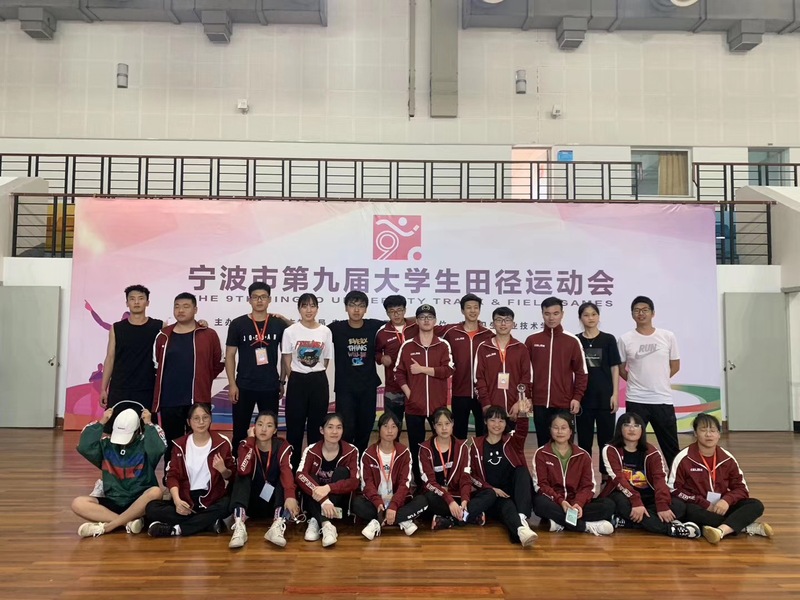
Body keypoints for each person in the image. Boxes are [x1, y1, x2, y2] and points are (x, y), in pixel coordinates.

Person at [668, 413, 773, 545]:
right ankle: (744, 526)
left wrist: (726, 501)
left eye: (713, 430)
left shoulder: (727, 458)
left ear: (719, 434)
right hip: (698, 506)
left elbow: (742, 489)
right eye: (703, 430)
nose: (708, 434)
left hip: (721, 506)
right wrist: (704, 504)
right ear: (695, 433)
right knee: (690, 512)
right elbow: (673, 489)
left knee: (756, 505)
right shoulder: (684, 457)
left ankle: (719, 531)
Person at [600, 412, 699, 538]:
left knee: (678, 507)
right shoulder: (610, 450)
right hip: (623, 494)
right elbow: (618, 479)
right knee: (623, 505)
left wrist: (662, 504)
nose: (632, 429)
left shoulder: (652, 452)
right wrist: (636, 501)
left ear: (642, 429)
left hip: (648, 496)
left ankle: (627, 523)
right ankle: (672, 529)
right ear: (620, 428)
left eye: (636, 425)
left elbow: (659, 479)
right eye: (627, 425)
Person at [153, 292, 224, 467]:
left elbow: (218, 363)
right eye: (177, 307)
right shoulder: (163, 335)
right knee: (173, 444)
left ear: (195, 309)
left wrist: (203, 379)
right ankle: (172, 478)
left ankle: (202, 478)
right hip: (170, 401)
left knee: (200, 443)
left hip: (198, 399)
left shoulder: (208, 334)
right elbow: (156, 365)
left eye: (186, 306)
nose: (181, 310)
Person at [72, 407, 165, 537]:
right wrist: (101, 422)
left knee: (156, 492)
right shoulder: (106, 445)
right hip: (114, 500)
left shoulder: (144, 444)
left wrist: (149, 424)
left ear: (137, 431)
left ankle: (107, 527)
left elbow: (159, 448)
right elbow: (84, 446)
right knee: (78, 503)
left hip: (140, 501)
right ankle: (128, 523)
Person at [145, 403, 235, 537]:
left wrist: (223, 470)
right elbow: (172, 476)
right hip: (186, 498)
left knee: (228, 504)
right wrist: (177, 501)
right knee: (151, 508)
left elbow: (232, 476)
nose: (201, 422)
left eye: (205, 417)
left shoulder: (222, 442)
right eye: (196, 418)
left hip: (211, 499)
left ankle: (176, 529)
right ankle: (207, 523)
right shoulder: (179, 444)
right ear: (189, 422)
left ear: (211, 419)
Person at [394, 304, 455, 486]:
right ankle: (419, 481)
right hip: (414, 406)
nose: (426, 320)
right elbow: (398, 372)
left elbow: (448, 370)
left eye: (429, 317)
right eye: (422, 317)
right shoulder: (408, 345)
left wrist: (423, 369)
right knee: (416, 445)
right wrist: (409, 393)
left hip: (438, 406)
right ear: (417, 322)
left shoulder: (442, 345)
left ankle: (441, 478)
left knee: (441, 443)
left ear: (435, 321)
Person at [618, 295, 681, 468]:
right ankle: (634, 477)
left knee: (670, 445)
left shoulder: (667, 336)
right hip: (636, 399)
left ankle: (676, 478)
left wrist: (659, 380)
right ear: (632, 314)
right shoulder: (625, 339)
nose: (641, 313)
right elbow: (621, 368)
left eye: (645, 310)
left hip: (662, 399)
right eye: (637, 310)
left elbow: (675, 366)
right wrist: (636, 381)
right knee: (632, 444)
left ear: (653, 313)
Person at [225, 282, 289, 450]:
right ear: (249, 300)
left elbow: (286, 353)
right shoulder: (238, 324)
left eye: (263, 297)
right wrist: (232, 384)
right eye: (255, 297)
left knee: (270, 432)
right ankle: (238, 463)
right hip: (243, 385)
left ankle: (268, 464)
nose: (259, 301)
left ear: (269, 299)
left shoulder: (278, 324)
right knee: (240, 431)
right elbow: (230, 355)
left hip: (270, 385)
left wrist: (282, 382)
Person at [466, 402, 538, 547]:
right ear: (485, 422)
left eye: (501, 421)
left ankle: (522, 518)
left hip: (511, 492)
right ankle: (520, 530)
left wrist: (523, 414)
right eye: (492, 420)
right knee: (507, 506)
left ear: (506, 423)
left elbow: (522, 431)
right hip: (491, 494)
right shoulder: (476, 445)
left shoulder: (512, 442)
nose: (497, 425)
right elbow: (471, 476)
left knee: (522, 471)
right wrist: (491, 489)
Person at [532, 412, 615, 535]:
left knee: (608, 505)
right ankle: (586, 526)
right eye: (555, 428)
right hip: (555, 503)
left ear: (570, 431)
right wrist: (561, 501)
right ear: (550, 430)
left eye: (563, 428)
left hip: (577, 504)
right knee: (539, 504)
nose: (560, 431)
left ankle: (560, 522)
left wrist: (578, 503)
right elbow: (541, 485)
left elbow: (588, 486)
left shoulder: (583, 455)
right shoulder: (541, 453)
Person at [228, 410, 300, 549]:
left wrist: (290, 496)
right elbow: (243, 469)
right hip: (250, 503)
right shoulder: (245, 444)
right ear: (254, 427)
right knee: (241, 477)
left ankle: (277, 525)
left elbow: (286, 471)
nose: (264, 429)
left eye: (269, 425)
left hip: (273, 503)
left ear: (275, 430)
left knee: (283, 479)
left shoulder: (282, 446)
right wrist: (250, 440)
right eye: (260, 424)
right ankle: (239, 526)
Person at [525, 297, 588, 448]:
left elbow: (581, 372)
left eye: (555, 313)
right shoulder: (532, 340)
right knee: (543, 445)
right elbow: (525, 372)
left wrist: (577, 397)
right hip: (539, 402)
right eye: (547, 314)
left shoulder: (572, 341)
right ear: (542, 314)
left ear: (562, 314)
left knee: (564, 445)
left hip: (564, 403)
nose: (551, 318)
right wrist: (528, 396)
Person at [329, 290, 386, 455]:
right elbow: (311, 329)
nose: (356, 310)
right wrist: (283, 319)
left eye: (360, 306)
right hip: (345, 388)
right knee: (346, 427)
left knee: (365, 426)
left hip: (367, 387)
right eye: (352, 305)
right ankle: (346, 459)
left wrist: (420, 319)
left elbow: (399, 322)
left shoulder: (374, 326)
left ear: (366, 309)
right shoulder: (336, 328)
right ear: (346, 308)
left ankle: (360, 459)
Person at [351, 411, 425, 539]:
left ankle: (378, 521)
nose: (389, 430)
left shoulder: (404, 452)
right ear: (379, 429)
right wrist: (377, 502)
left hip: (399, 502)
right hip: (375, 503)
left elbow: (405, 483)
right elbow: (367, 484)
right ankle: (401, 519)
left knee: (422, 501)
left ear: (398, 430)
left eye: (393, 426)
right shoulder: (368, 454)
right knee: (357, 504)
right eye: (385, 426)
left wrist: (394, 505)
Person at [281, 293, 334, 471]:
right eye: (304, 306)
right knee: (294, 429)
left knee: (316, 428)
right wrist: (294, 377)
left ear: (317, 309)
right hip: (297, 381)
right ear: (299, 309)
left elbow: (326, 359)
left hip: (318, 381)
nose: (308, 310)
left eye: (312, 306)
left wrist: (314, 373)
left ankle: (313, 468)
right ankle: (292, 468)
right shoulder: (290, 331)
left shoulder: (325, 331)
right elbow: (286, 359)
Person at [418, 407, 489, 530]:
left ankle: (448, 520)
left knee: (489, 493)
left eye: (447, 423)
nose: (444, 428)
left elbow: (465, 477)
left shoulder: (462, 447)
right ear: (434, 426)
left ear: (453, 424)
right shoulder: (425, 449)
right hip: (439, 496)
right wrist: (449, 500)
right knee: (427, 498)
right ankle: (468, 517)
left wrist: (465, 500)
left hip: (458, 494)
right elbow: (429, 482)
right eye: (439, 424)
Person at [295, 413, 360, 547]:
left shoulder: (351, 451)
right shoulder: (311, 450)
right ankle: (325, 524)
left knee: (342, 472)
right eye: (330, 427)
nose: (334, 432)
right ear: (321, 430)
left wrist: (329, 488)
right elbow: (300, 475)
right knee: (311, 478)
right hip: (318, 501)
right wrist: (324, 501)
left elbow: (355, 481)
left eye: (339, 427)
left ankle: (316, 519)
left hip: (338, 502)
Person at [98, 285, 163, 411]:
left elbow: (182, 329)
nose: (136, 302)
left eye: (141, 298)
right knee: (114, 422)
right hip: (120, 387)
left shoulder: (159, 326)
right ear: (127, 303)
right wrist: (103, 389)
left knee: (146, 423)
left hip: (147, 388)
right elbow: (110, 358)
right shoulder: (117, 328)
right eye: (132, 299)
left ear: (147, 302)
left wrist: (200, 324)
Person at [575, 302, 621, 480]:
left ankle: (606, 476)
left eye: (594, 314)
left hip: (605, 398)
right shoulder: (576, 340)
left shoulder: (608, 339)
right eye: (586, 315)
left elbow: (614, 368)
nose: (590, 318)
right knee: (584, 441)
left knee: (606, 441)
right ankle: (585, 476)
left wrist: (615, 394)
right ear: (580, 318)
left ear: (599, 316)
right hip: (584, 399)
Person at [441, 293, 494, 440]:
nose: (472, 311)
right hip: (459, 391)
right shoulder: (451, 333)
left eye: (476, 307)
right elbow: (426, 328)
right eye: (469, 307)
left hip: (482, 393)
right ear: (462, 310)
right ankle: (460, 456)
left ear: (479, 310)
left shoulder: (488, 334)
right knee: (459, 434)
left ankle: (481, 456)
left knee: (484, 434)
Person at [475, 307, 533, 422]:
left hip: (516, 409)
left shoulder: (521, 348)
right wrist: (486, 404)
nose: (503, 324)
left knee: (517, 434)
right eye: (499, 320)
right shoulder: (484, 347)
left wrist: (520, 402)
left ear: (513, 324)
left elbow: (527, 377)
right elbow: (479, 378)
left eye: (507, 320)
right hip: (491, 409)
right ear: (493, 324)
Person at [375, 294, 416, 428]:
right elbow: (375, 352)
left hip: (415, 385)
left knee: (415, 426)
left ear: (405, 310)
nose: (396, 314)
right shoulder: (382, 332)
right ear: (387, 313)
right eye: (392, 311)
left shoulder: (415, 327)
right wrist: (381, 358)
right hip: (393, 387)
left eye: (399, 310)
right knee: (392, 426)